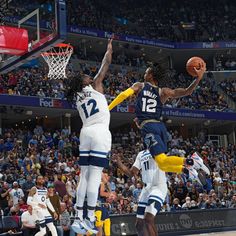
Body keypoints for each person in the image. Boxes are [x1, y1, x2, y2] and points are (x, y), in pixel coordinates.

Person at [108, 62, 210, 176]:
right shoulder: (163, 91)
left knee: (161, 161)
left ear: (151, 75)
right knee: (161, 164)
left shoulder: (140, 85)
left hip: (149, 127)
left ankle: (191, 161)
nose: (144, 75)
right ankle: (185, 169)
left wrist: (108, 108)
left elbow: (123, 95)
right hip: (160, 127)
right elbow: (187, 91)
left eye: (146, 72)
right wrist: (198, 78)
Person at [67, 39, 113, 234]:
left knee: (84, 177)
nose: (89, 76)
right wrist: (109, 48)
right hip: (99, 132)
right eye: (86, 76)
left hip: (85, 133)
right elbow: (106, 64)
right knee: (94, 177)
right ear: (85, 82)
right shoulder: (96, 85)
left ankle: (78, 218)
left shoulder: (77, 95)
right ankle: (90, 217)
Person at [113, 149, 167, 236]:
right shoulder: (141, 154)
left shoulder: (159, 148)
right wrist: (118, 162)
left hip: (158, 186)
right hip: (146, 189)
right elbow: (131, 173)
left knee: (148, 219)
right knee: (139, 224)